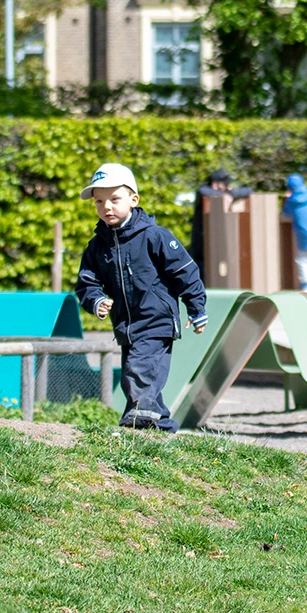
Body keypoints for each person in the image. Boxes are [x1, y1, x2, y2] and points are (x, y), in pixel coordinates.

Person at [75, 162, 208, 431]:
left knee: (139, 370)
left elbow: (186, 271)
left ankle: (139, 419)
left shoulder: (155, 236)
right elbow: (86, 282)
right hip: (126, 324)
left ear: (133, 199)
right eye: (99, 202)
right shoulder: (97, 245)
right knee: (139, 377)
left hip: (156, 320)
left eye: (114, 199)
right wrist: (97, 301)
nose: (106, 207)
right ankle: (160, 426)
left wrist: (197, 309)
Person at [186, 168, 251, 274]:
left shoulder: (224, 192)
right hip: (201, 246)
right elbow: (202, 191)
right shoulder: (205, 193)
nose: (229, 187)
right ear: (215, 185)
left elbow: (248, 191)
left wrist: (230, 195)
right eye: (225, 185)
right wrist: (225, 195)